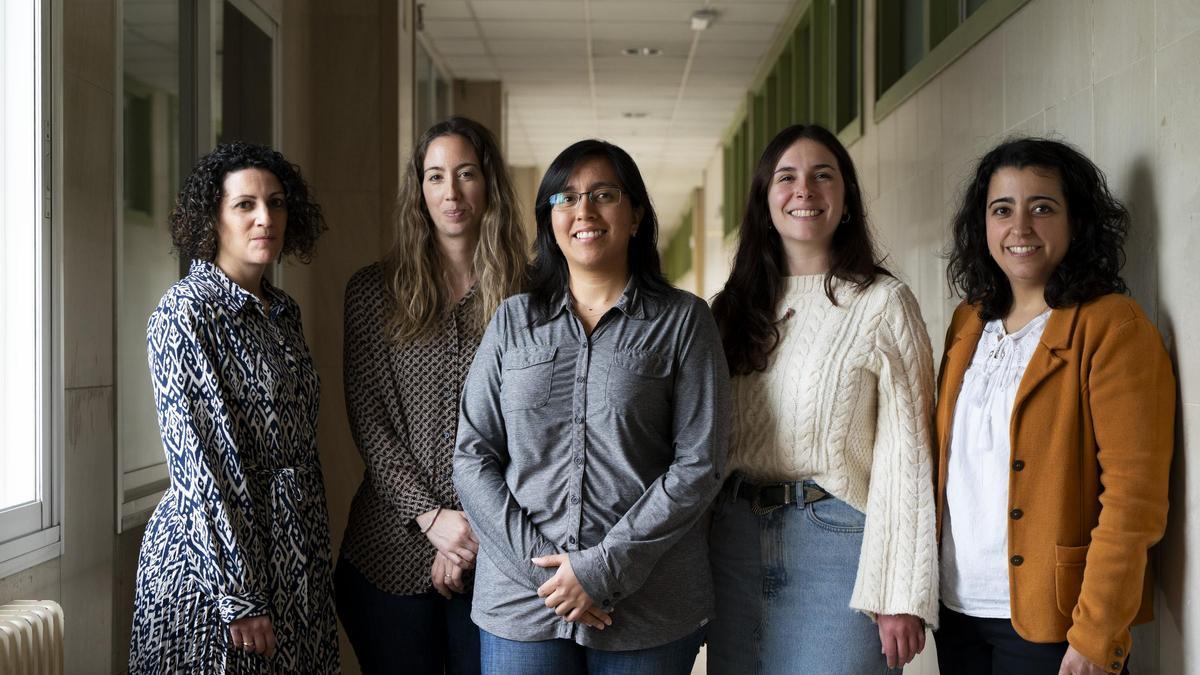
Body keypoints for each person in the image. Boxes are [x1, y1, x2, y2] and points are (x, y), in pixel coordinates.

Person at [453, 139, 730, 674]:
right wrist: (550, 578)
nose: (583, 211)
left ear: (635, 215)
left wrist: (602, 569)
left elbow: (700, 463)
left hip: (651, 604)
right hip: (522, 605)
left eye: (603, 194)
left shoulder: (684, 322)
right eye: (565, 198)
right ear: (548, 220)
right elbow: (472, 456)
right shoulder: (513, 322)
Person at [934, 138, 1175, 675]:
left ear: (1077, 222)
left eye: (1042, 207)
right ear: (984, 226)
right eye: (1003, 210)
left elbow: (1134, 501)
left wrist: (1097, 633)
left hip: (1056, 623)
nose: (1020, 228)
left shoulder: (1113, 327)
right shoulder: (968, 322)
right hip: (957, 611)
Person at [707, 123, 939, 674]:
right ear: (766, 201)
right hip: (733, 542)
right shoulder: (731, 310)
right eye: (786, 177)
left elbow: (908, 454)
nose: (804, 190)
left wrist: (900, 593)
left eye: (822, 176)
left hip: (837, 546)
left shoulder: (883, 304)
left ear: (846, 199)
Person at [128, 142, 338, 673]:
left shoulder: (283, 312)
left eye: (276, 203)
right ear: (213, 218)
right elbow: (202, 466)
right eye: (245, 205)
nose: (265, 218)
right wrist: (238, 594)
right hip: (213, 571)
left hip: (293, 561)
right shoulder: (185, 314)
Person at [335, 116, 528, 674]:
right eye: (435, 176)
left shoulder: (531, 295)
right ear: (419, 190)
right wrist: (430, 517)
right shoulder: (372, 291)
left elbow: (535, 430)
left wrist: (468, 530)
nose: (451, 191)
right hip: (386, 551)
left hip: (496, 553)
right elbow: (369, 421)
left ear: (488, 183)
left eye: (466, 173)